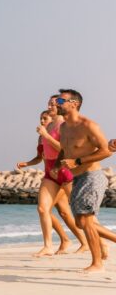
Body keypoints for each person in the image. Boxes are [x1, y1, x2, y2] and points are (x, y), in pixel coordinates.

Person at [53, 89, 113, 272]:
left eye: (61, 100)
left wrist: (77, 161)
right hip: (77, 178)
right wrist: (58, 165)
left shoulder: (88, 125)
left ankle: (97, 263)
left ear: (74, 104)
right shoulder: (63, 127)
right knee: (80, 222)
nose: (57, 103)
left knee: (86, 221)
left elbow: (106, 151)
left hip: (93, 176)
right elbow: (64, 149)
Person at [16, 104, 87, 256]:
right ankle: (66, 241)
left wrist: (47, 136)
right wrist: (27, 163)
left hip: (64, 172)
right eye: (41, 118)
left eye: (45, 118)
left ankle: (91, 241)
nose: (42, 121)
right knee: (60, 212)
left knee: (76, 211)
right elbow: (39, 157)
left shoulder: (60, 129)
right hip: (50, 174)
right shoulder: (42, 136)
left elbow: (64, 149)